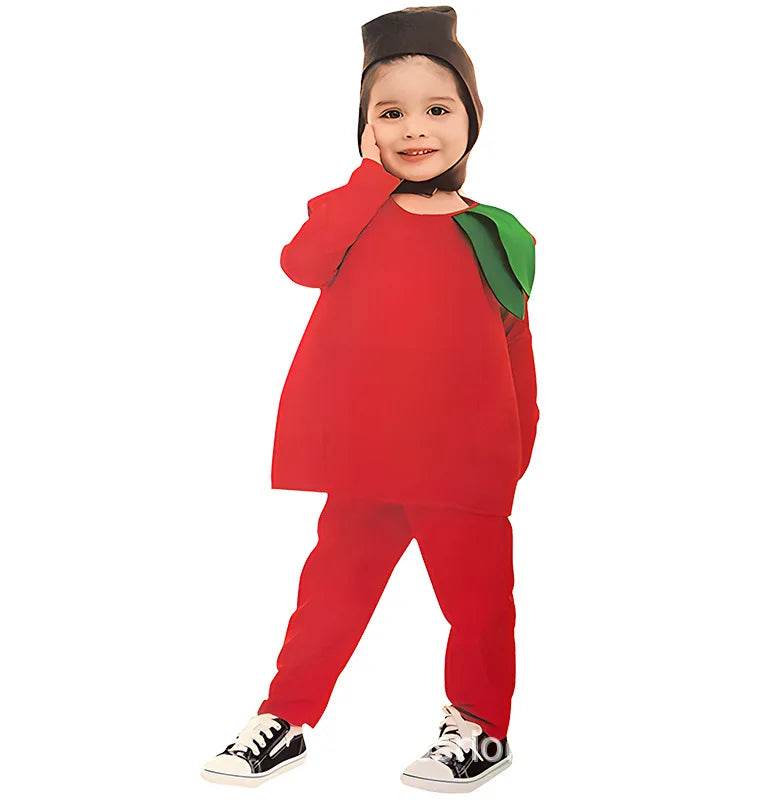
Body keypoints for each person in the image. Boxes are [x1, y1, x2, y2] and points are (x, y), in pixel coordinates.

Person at [202, 6, 538, 793]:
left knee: (479, 606)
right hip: (369, 461)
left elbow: (516, 352)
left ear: (473, 118)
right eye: (390, 113)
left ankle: (481, 728)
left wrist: (516, 449)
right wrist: (368, 179)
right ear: (364, 128)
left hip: (464, 464)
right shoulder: (351, 215)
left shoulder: (498, 232)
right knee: (330, 597)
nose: (415, 128)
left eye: (438, 109)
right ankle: (286, 718)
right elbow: (302, 264)